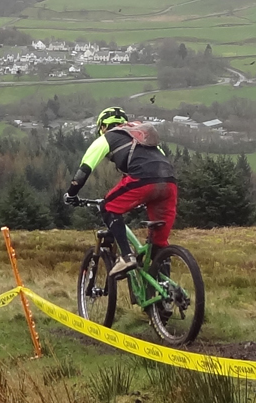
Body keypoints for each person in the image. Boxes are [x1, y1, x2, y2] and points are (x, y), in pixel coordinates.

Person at [65, 106, 179, 277]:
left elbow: (85, 169)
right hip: (169, 183)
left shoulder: (107, 137)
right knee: (159, 244)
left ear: (103, 126)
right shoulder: (143, 137)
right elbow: (159, 161)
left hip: (142, 180)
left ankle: (126, 256)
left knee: (108, 206)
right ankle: (165, 289)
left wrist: (71, 193)